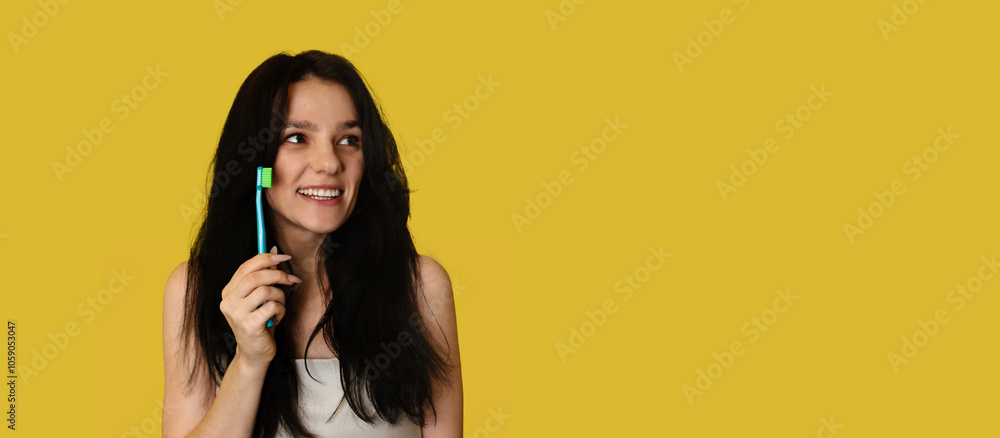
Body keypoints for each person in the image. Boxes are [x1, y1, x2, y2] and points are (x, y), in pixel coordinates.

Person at [161, 50, 462, 437]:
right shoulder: (193, 288)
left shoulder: (421, 287)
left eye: (349, 139)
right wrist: (249, 361)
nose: (330, 162)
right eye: (297, 137)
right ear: (258, 167)